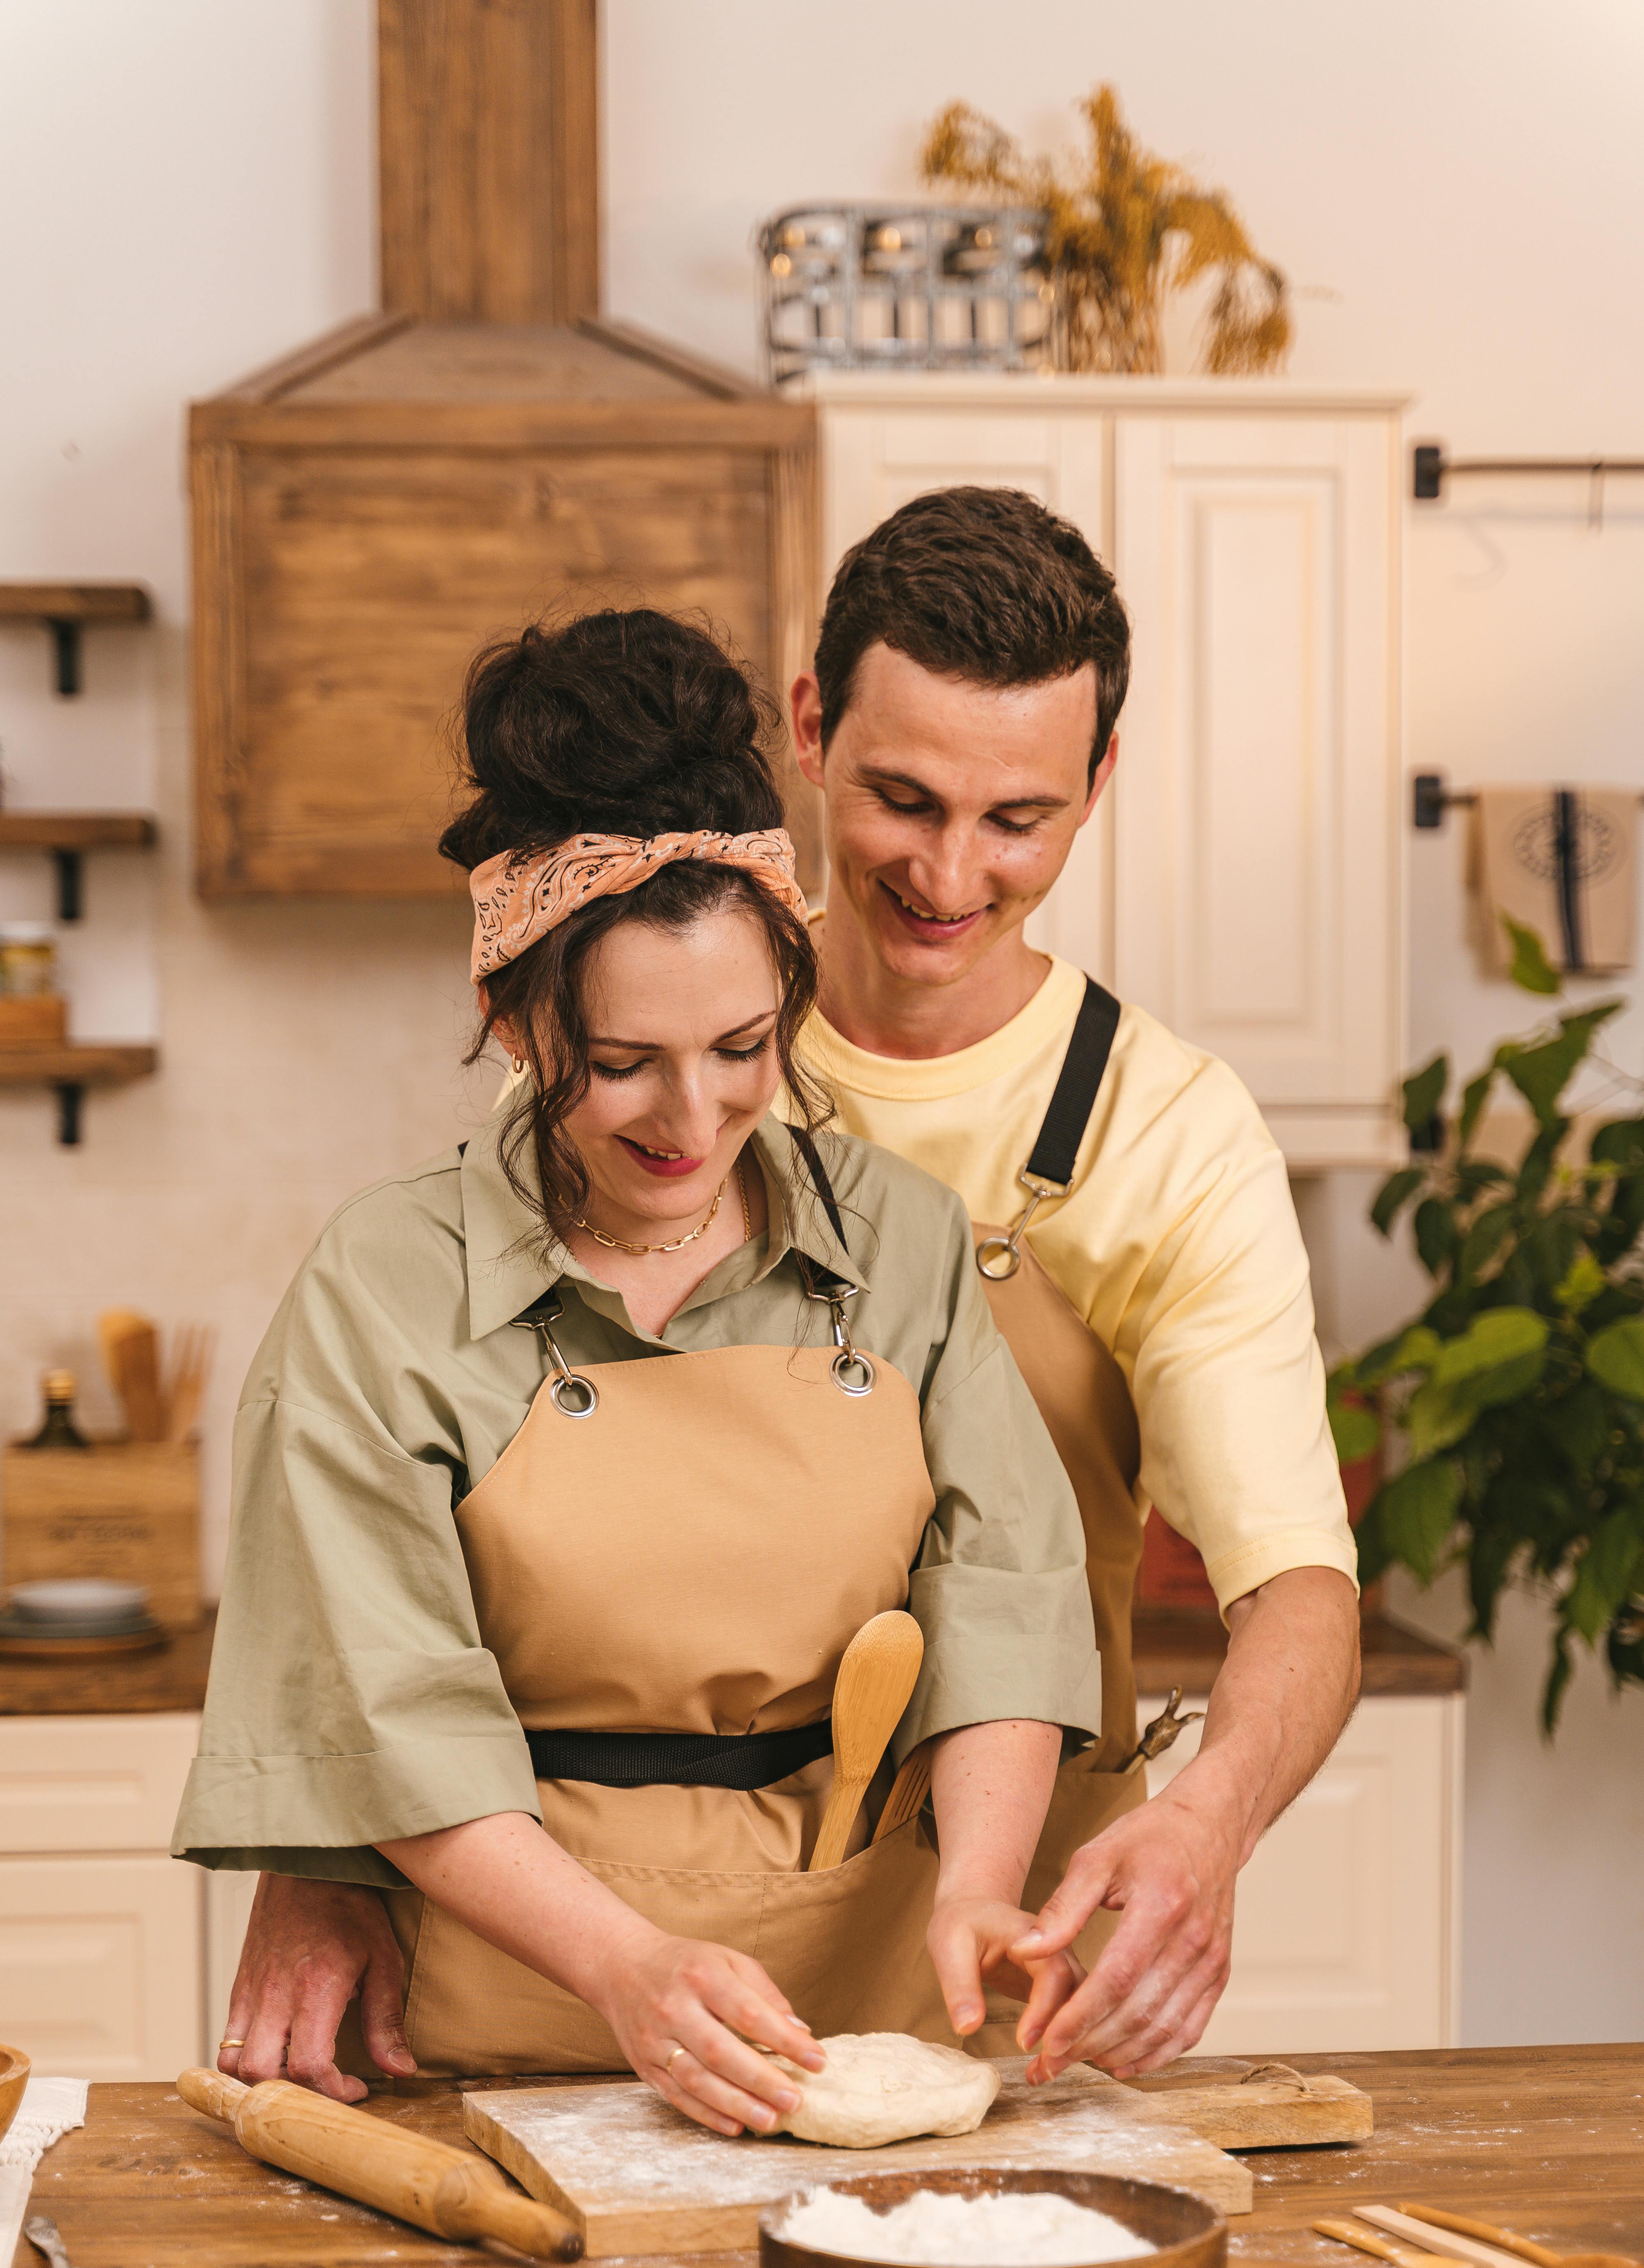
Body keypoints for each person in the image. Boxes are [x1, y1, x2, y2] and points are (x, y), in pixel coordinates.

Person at [212, 486, 1361, 2104]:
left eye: (1017, 818)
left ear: (1098, 786)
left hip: (961, 1947)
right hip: (541, 1966)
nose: (951, 872)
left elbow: (1258, 1587)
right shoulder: (637, 961)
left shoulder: (1157, 1138)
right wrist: (324, 1840)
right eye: (901, 796)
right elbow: (394, 1591)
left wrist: (1207, 1820)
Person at [174, 608, 1103, 2133]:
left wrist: (986, 1894)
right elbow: (389, 1705)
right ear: (510, 1015)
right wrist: (625, 1969)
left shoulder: (906, 1244)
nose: (695, 1115)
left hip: (870, 2012)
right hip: (510, 2021)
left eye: (744, 1045)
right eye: (622, 1065)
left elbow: (1002, 1600)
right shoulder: (387, 1291)